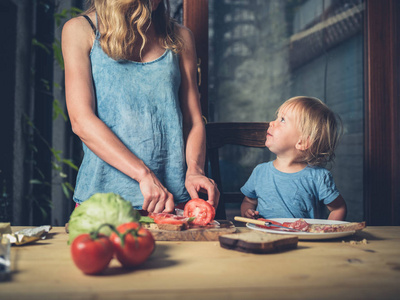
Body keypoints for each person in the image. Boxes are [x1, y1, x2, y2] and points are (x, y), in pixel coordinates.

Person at [62, 0, 219, 213]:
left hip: (172, 201)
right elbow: (81, 121)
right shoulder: (79, 30)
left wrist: (195, 170)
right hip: (104, 200)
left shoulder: (180, 36)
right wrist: (143, 174)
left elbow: (193, 121)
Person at [240, 96, 347, 220]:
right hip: (264, 237)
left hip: (303, 239)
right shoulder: (260, 172)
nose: (272, 122)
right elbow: (248, 201)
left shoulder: (318, 177)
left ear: (302, 142)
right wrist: (248, 211)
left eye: (283, 120)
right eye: (277, 118)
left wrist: (328, 232)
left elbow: (338, 208)